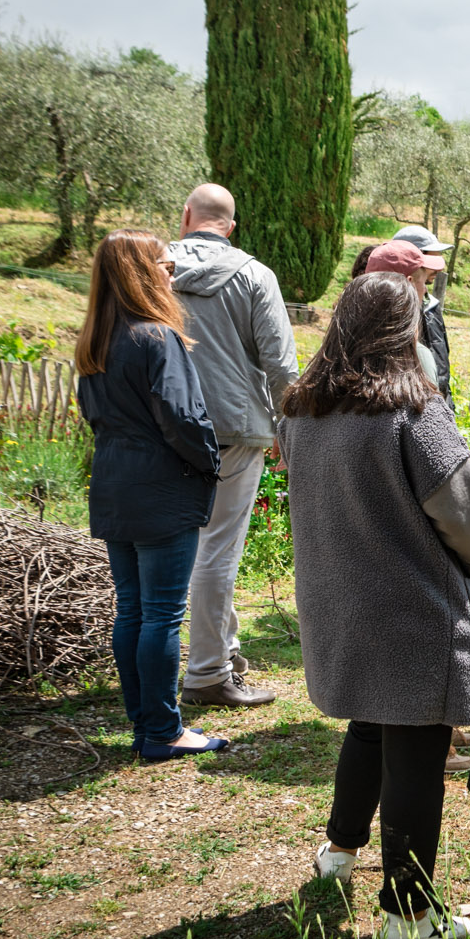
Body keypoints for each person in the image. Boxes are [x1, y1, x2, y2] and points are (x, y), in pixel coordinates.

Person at [281, 273, 470, 939]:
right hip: (409, 611)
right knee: (415, 755)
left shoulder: (303, 407)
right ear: (408, 333)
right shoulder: (413, 411)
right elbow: (467, 515)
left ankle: (339, 851)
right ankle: (409, 914)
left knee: (369, 729)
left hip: (338, 602)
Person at [74, 230, 227, 762]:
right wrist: (210, 461)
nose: (172, 274)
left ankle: (144, 723)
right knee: (162, 611)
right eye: (165, 265)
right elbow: (182, 416)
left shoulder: (96, 341)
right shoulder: (156, 337)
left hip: (114, 483)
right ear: (142, 273)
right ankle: (163, 730)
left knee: (134, 609)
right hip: (161, 486)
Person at [166, 183, 298, 709]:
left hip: (166, 426)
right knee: (218, 549)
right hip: (236, 429)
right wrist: (290, 432)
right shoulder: (253, 274)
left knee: (192, 544)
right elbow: (282, 366)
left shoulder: (154, 268)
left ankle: (224, 651)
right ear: (232, 228)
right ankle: (207, 673)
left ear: (186, 217)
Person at [362, 241, 446, 388]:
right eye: (424, 282)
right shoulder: (416, 357)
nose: (425, 290)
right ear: (410, 285)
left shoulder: (339, 345)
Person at [392, 225, 454, 399]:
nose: (439, 267)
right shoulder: (389, 311)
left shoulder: (431, 306)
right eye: (433, 255)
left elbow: (442, 368)